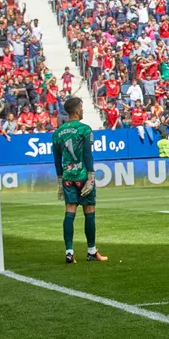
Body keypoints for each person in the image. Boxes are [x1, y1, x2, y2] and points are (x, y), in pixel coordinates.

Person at [52, 98, 108, 264]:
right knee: (89, 211)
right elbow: (87, 154)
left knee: (70, 211)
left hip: (68, 178)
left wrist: (59, 181)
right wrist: (90, 176)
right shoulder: (84, 129)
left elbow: (57, 159)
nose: (83, 111)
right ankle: (91, 251)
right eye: (82, 108)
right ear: (77, 111)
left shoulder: (57, 133)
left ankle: (69, 252)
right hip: (83, 176)